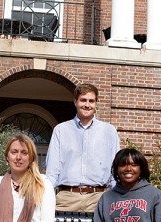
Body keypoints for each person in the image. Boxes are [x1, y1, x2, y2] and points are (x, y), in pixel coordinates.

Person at [46, 83, 120, 212]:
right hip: (67, 198)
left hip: (99, 198)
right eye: (83, 100)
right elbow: (52, 170)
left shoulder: (109, 131)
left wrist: (117, 197)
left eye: (91, 101)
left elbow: (115, 169)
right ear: (75, 102)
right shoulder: (61, 130)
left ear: (96, 103)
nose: (87, 105)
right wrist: (44, 196)